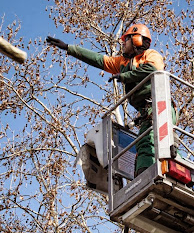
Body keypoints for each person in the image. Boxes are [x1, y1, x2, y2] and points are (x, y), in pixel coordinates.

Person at [46, 24, 165, 177]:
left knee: (147, 142)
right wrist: (69, 48)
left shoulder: (150, 55)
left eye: (126, 40)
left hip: (160, 106)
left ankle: (146, 177)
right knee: (161, 143)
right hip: (147, 112)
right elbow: (97, 59)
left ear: (136, 40)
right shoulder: (122, 63)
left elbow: (153, 70)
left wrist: (124, 77)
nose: (122, 43)